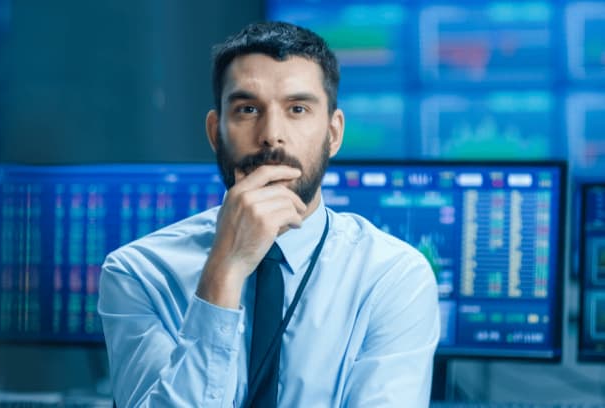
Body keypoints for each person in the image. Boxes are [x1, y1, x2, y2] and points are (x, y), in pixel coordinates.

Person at [98, 21, 440, 407]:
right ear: (216, 132)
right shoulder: (138, 272)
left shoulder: (391, 277)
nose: (271, 135)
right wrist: (223, 274)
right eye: (248, 109)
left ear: (333, 134)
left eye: (297, 109)